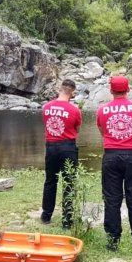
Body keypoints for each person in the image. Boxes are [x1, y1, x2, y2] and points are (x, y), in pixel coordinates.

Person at [97, 76, 132, 253]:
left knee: (112, 200)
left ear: (111, 90)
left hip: (111, 156)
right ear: (128, 89)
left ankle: (113, 241)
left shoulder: (102, 110)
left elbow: (103, 131)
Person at [41, 79, 82, 229]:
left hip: (51, 146)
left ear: (60, 89)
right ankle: (67, 219)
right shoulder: (74, 110)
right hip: (68, 147)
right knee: (69, 182)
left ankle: (46, 215)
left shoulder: (46, 107)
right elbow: (76, 130)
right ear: (72, 92)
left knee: (50, 181)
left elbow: (47, 125)